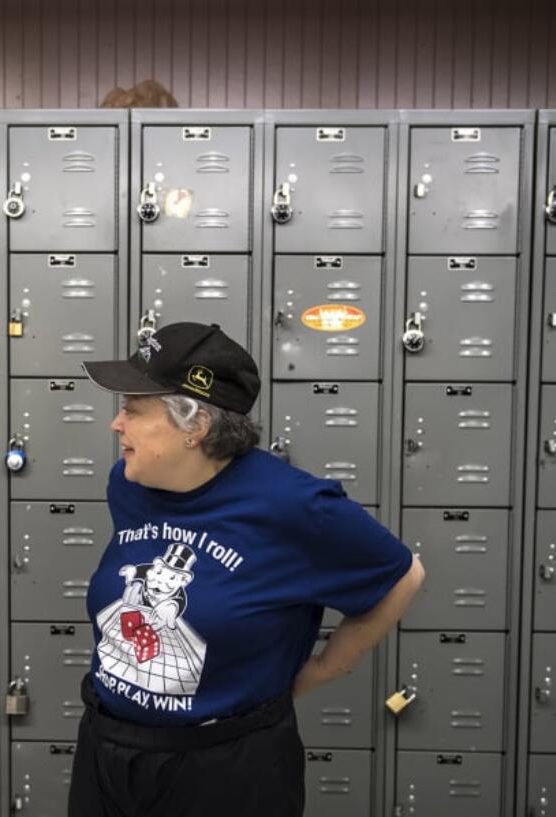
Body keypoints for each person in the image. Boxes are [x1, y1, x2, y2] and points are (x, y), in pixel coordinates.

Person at [69, 321, 424, 817]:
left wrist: (326, 667)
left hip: (225, 767)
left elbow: (403, 576)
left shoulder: (294, 506)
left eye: (132, 408)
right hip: (107, 751)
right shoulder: (129, 484)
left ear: (195, 425)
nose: (116, 423)